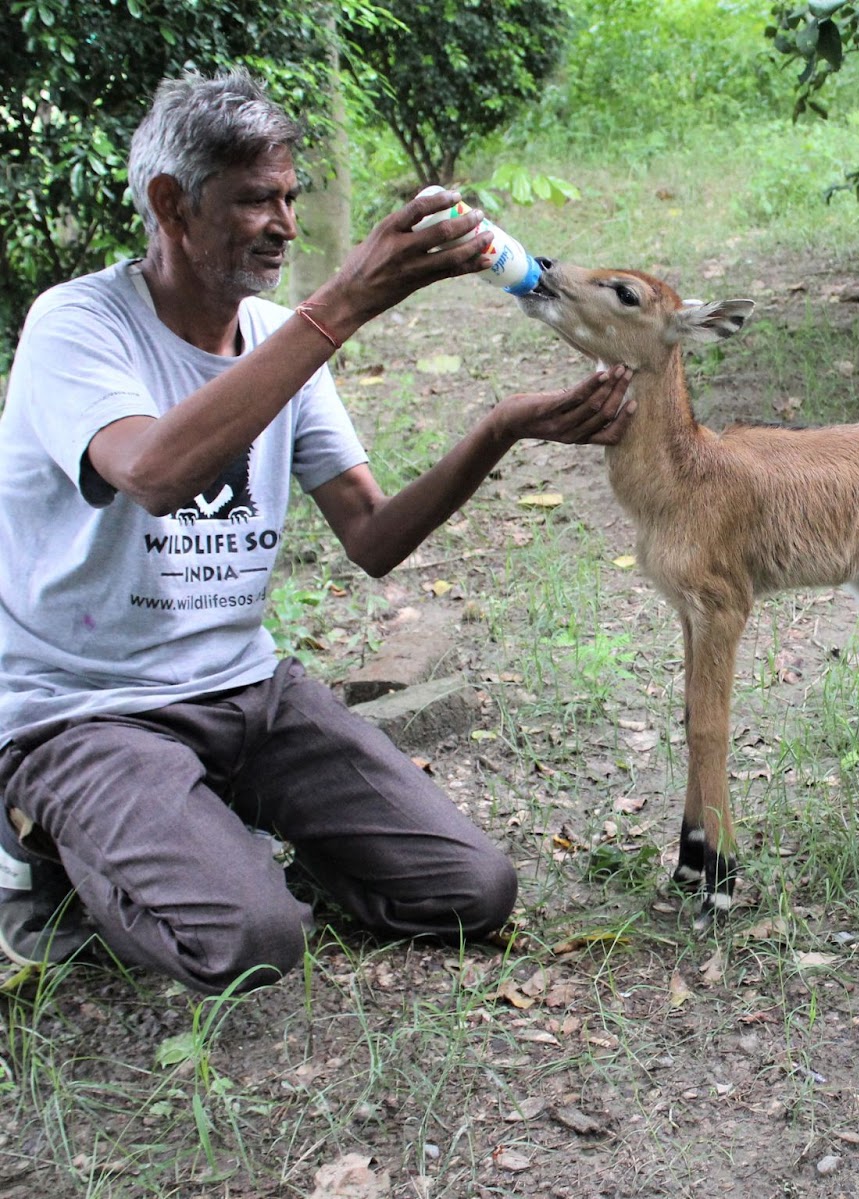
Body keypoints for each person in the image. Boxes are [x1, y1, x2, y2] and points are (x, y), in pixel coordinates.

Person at [0, 69, 635, 993]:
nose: (286, 225)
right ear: (171, 204)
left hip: (246, 690)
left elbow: (372, 536)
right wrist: (340, 305)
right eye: (257, 199)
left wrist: (502, 426)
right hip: (88, 710)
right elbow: (154, 475)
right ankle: (44, 863)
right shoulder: (78, 325)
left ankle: (209, 835)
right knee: (250, 942)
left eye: (291, 196)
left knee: (471, 890)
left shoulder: (275, 333)